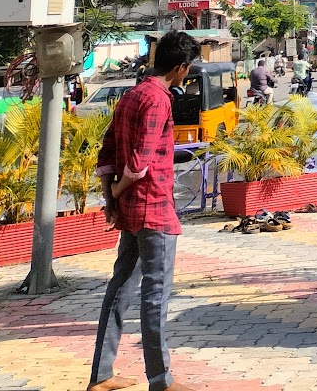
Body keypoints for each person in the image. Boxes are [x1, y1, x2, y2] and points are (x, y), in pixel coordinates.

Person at [89, 29, 203, 391]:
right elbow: (138, 163)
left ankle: (101, 375)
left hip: (132, 211)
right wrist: (120, 190)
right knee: (156, 295)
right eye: (189, 69)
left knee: (120, 289)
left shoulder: (131, 95)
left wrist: (112, 199)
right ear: (180, 67)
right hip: (154, 208)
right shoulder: (157, 99)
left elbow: (106, 155)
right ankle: (161, 380)